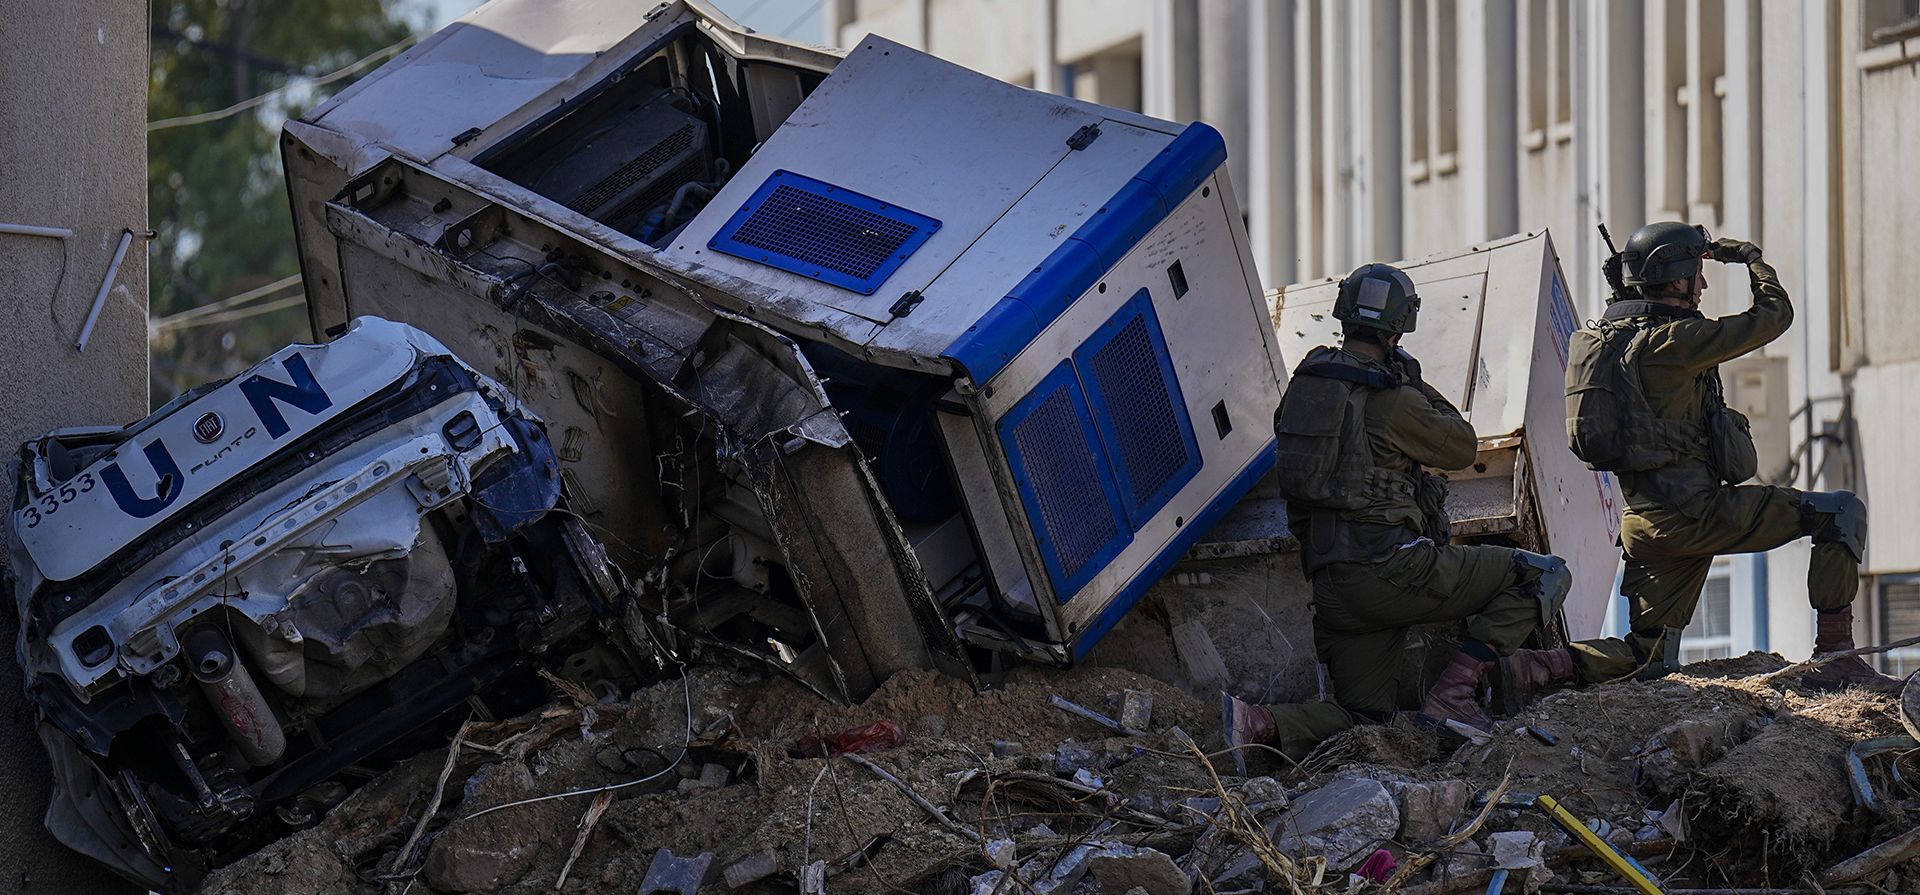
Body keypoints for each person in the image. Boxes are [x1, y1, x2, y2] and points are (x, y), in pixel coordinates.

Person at [1494, 222, 1898, 705]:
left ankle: (1530, 667)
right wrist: (1750, 260)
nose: (1703, 285)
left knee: (1648, 657)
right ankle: (1835, 660)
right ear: (1675, 279)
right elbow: (1774, 316)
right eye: (1696, 275)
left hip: (1645, 524)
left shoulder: (1600, 341)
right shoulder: (1676, 342)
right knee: (1840, 513)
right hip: (1698, 514)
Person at [1223, 263, 1574, 767]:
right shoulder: (1394, 399)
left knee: (1364, 717)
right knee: (1543, 574)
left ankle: (1257, 722)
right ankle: (1454, 696)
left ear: (1344, 316)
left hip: (1333, 583)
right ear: (1398, 330)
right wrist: (1417, 382)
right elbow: (1461, 446)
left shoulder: (1307, 388)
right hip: (1392, 570)